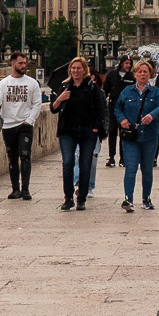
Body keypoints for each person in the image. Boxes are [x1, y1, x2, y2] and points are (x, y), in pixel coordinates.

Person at [52, 56, 107, 211]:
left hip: (87, 131)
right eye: (73, 68)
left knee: (85, 164)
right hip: (67, 131)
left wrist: (96, 127)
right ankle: (68, 197)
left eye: (78, 68)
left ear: (84, 70)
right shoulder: (64, 87)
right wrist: (60, 98)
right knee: (68, 162)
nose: (75, 71)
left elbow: (100, 109)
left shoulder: (92, 87)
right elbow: (53, 108)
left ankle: (81, 198)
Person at [0, 52, 45, 200]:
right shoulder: (4, 84)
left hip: (24, 125)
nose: (23, 66)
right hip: (8, 125)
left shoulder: (32, 83)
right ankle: (15, 189)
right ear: (12, 64)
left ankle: (26, 189)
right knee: (12, 157)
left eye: (24, 63)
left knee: (25, 155)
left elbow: (37, 104)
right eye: (20, 63)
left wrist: (30, 120)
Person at [115, 57, 159, 211]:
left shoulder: (156, 92)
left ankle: (146, 198)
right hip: (131, 137)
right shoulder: (127, 91)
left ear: (150, 74)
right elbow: (117, 108)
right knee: (130, 167)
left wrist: (152, 115)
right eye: (140, 72)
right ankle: (128, 199)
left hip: (149, 136)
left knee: (147, 169)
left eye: (146, 72)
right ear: (135, 74)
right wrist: (122, 119)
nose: (143, 74)